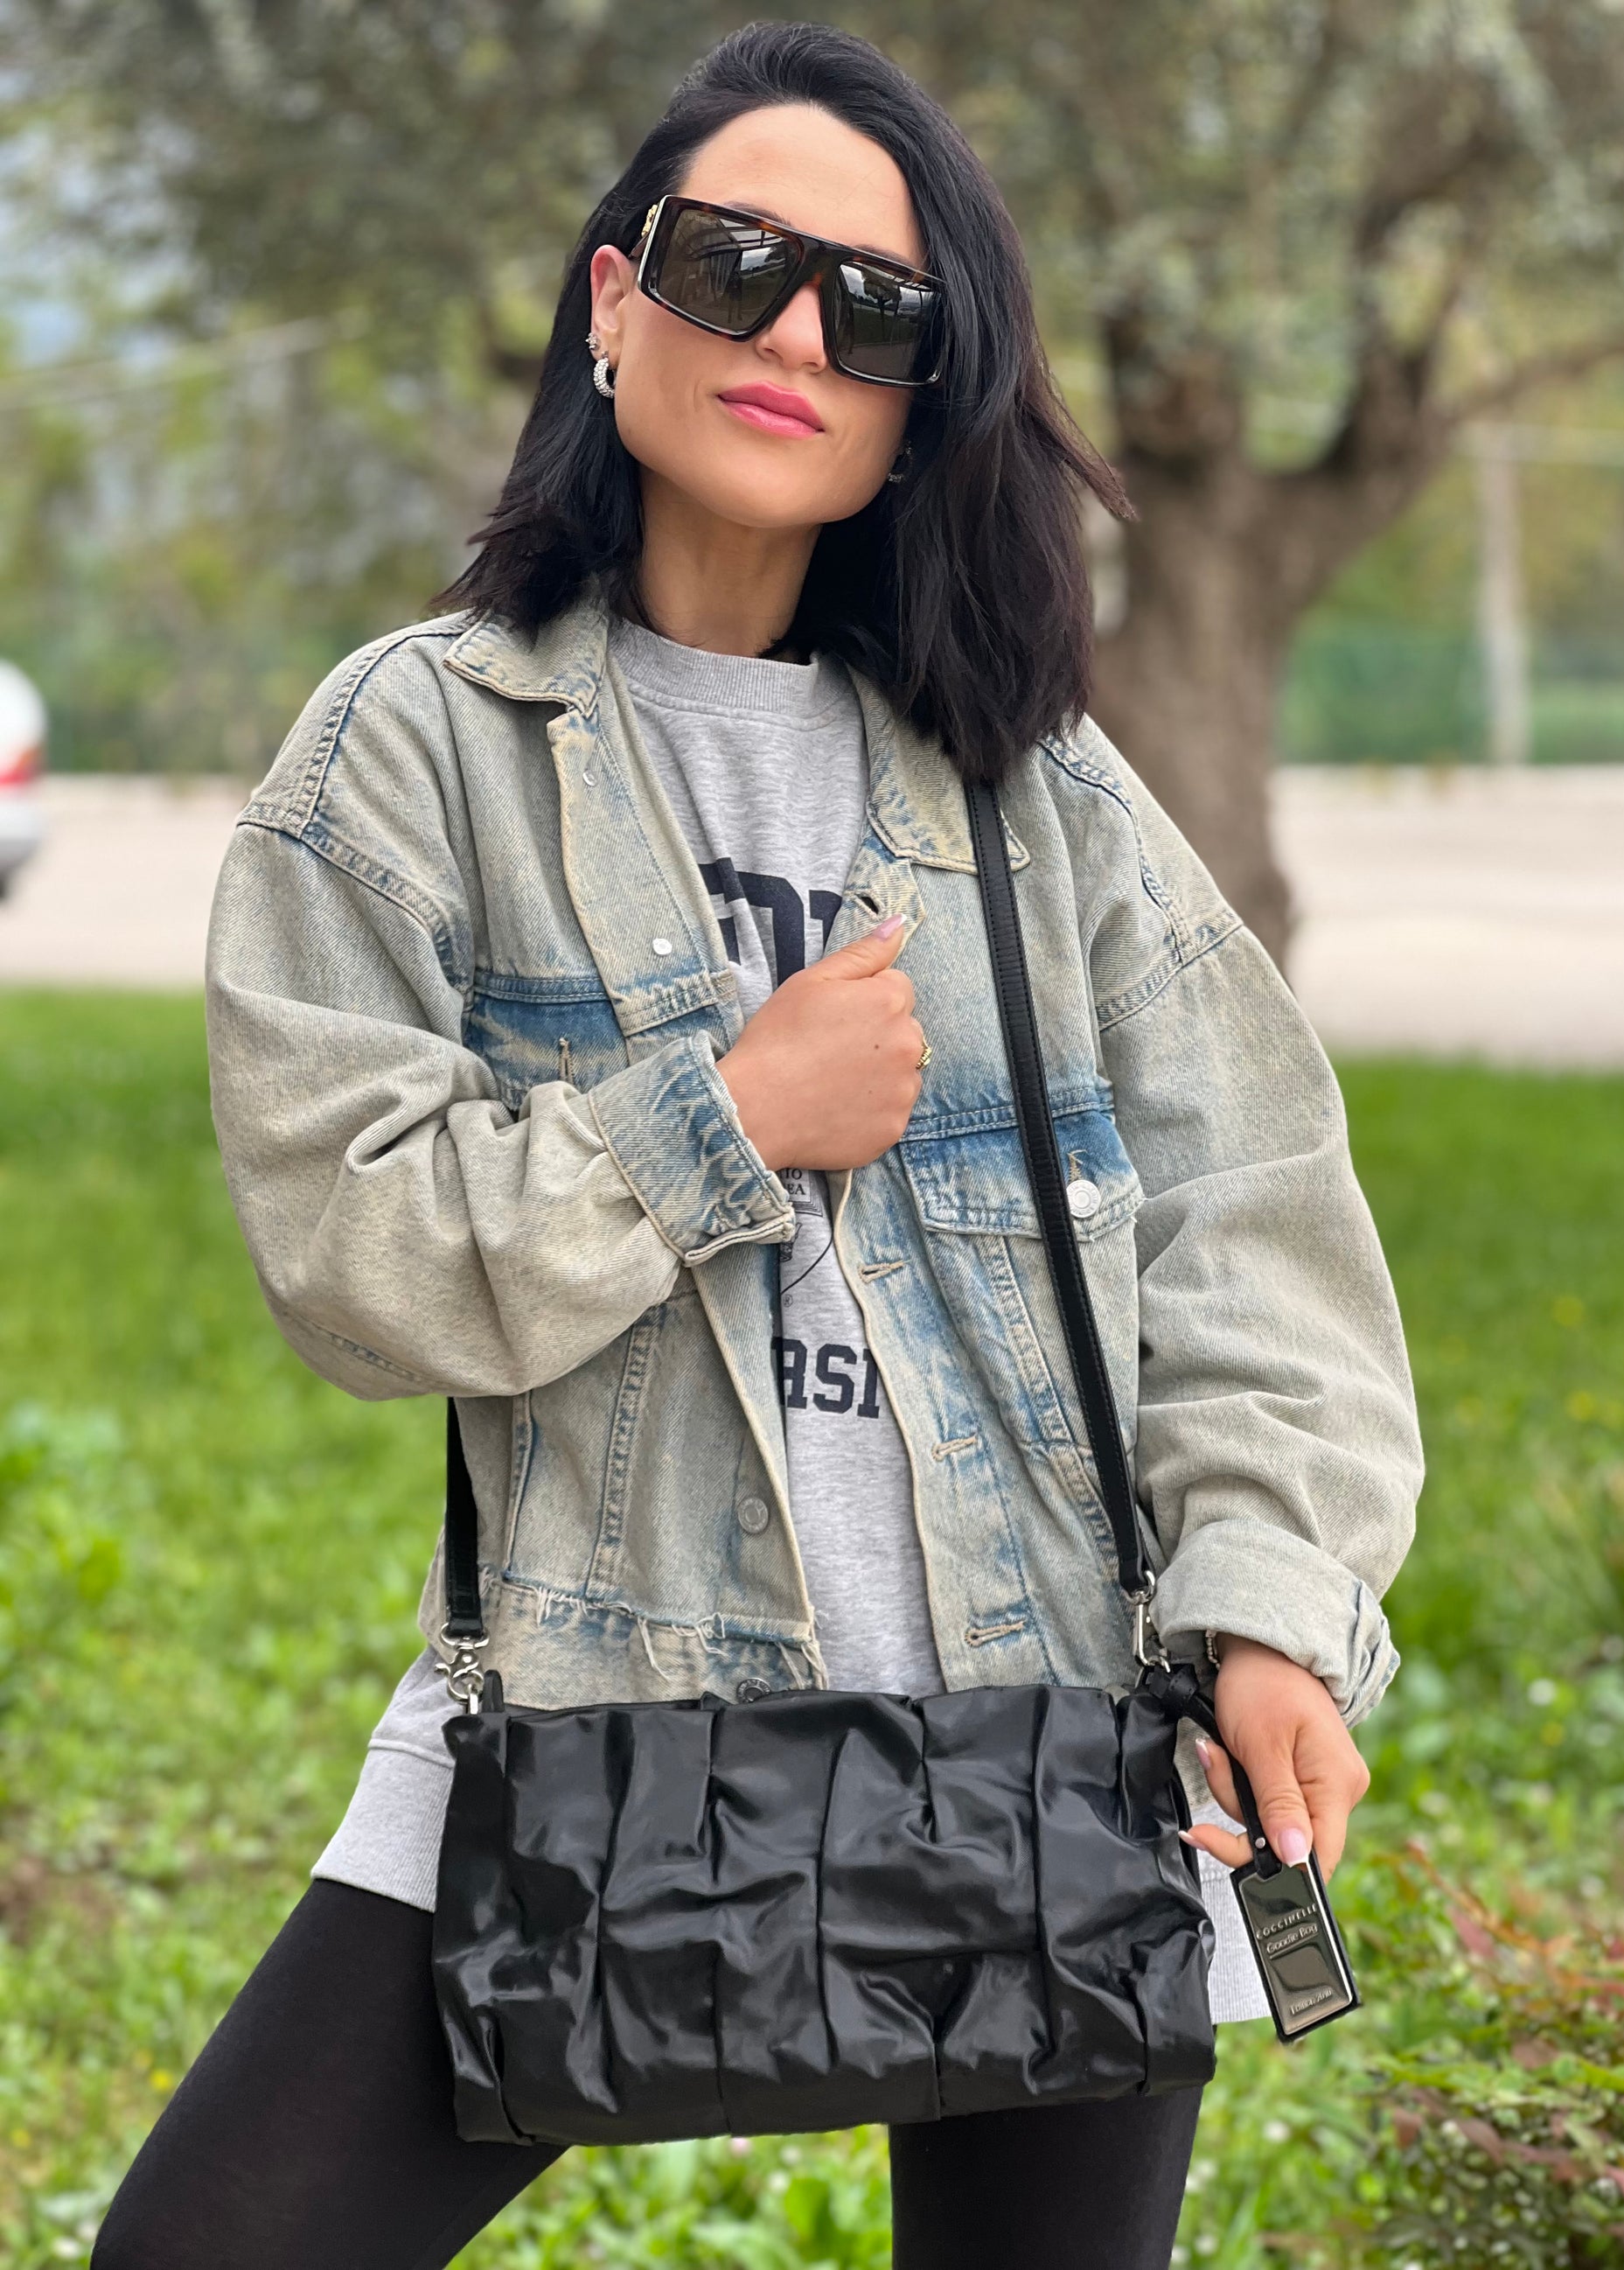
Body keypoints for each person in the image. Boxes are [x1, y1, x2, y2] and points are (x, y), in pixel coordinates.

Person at [94, 23, 1423, 2270]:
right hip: (597, 1699)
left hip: (1041, 1734)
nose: (797, 335)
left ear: (921, 399)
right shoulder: (413, 747)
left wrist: (1271, 1613)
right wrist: (722, 1118)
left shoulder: (1033, 789)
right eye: (737, 266)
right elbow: (352, 1249)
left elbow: (1254, 1215)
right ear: (615, 300)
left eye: (874, 310)